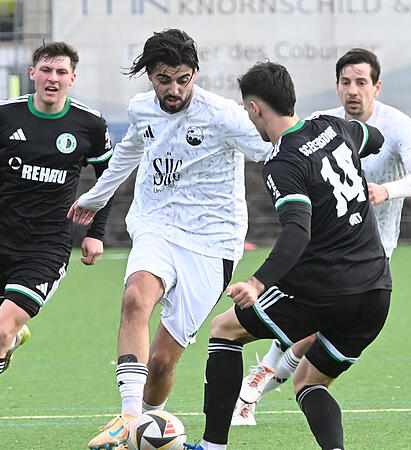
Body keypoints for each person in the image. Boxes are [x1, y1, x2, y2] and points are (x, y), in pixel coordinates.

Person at [67, 29, 271, 449]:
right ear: (149, 75)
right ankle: (128, 418)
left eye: (183, 78)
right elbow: (128, 152)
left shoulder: (224, 115)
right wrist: (94, 197)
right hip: (156, 224)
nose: (174, 89)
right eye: (164, 79)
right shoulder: (142, 109)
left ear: (195, 73)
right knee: (135, 299)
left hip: (213, 244)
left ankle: (145, 423)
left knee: (161, 364)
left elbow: (275, 149)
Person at [185, 60, 390, 450]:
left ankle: (213, 446)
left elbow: (298, 230)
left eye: (248, 109)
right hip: (376, 290)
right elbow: (375, 138)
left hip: (325, 289)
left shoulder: (283, 163)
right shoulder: (333, 126)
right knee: (308, 382)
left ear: (255, 109)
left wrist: (257, 282)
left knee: (224, 331)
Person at [232, 47, 411, 426]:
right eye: (345, 83)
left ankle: (262, 375)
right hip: (320, 249)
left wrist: (386, 190)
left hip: (371, 250)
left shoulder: (397, 125)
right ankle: (261, 379)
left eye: (361, 82)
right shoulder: (323, 122)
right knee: (309, 332)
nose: (353, 91)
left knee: (311, 335)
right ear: (337, 86)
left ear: (377, 86)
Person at [0, 41, 114, 448]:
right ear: (33, 73)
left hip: (48, 247)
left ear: (73, 77)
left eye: (61, 72)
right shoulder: (4, 116)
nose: (53, 79)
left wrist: (95, 233)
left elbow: (108, 181)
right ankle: (16, 335)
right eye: (46, 70)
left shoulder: (90, 124)